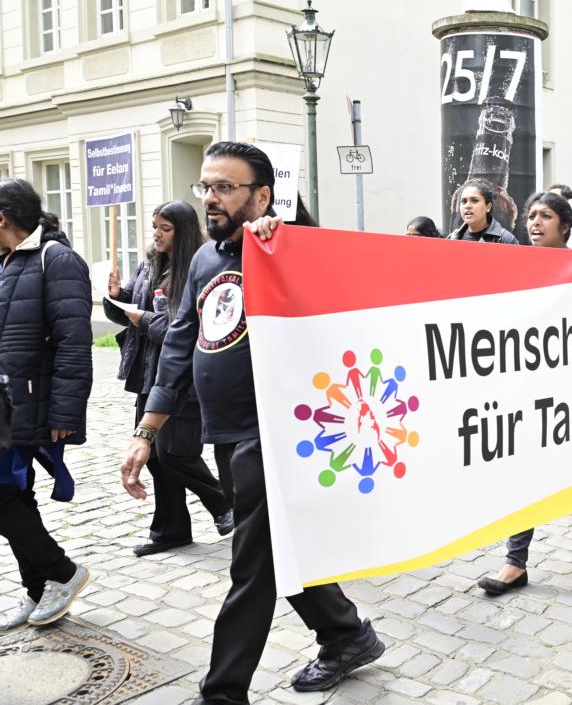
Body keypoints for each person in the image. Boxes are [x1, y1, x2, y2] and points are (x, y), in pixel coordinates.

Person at [120, 142, 384, 704]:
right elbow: (180, 345)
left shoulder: (286, 247)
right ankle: (345, 634)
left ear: (262, 196)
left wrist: (284, 236)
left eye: (225, 187)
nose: (211, 198)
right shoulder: (204, 260)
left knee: (252, 565)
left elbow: (340, 294)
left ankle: (222, 692)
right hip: (224, 430)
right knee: (277, 545)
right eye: (206, 187)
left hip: (273, 433)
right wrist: (147, 431)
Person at [475, 191, 572, 596]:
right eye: (531, 215)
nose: (535, 222)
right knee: (526, 468)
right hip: (530, 386)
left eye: (546, 216)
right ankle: (515, 563)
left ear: (565, 226)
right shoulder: (516, 266)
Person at [105, 201, 233, 557]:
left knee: (173, 451)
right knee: (155, 458)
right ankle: (170, 529)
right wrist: (116, 298)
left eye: (166, 228)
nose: (157, 234)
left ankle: (224, 503)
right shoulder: (149, 263)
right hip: (148, 372)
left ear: (183, 230)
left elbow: (182, 330)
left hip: (181, 377)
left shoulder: (196, 268)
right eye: (154, 227)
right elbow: (130, 310)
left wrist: (143, 320)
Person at [0, 178, 93, 631]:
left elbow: (74, 343)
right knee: (16, 495)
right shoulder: (6, 260)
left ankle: (63, 572)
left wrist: (64, 413)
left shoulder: (55, 259)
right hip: (5, 404)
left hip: (29, 402)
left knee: (4, 496)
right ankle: (39, 589)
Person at [447, 178, 519, 244]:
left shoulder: (506, 240)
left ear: (488, 207)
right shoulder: (452, 239)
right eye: (464, 201)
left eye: (474, 200)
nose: (468, 206)